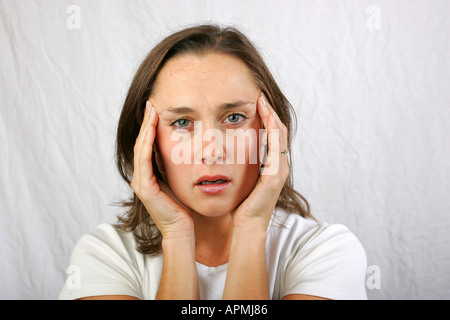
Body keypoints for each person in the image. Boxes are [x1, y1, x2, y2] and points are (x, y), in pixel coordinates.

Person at [58, 24, 367, 300]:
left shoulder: (327, 253)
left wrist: (251, 229)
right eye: (181, 122)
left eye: (234, 118)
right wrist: (177, 237)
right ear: (147, 142)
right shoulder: (104, 256)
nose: (212, 152)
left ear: (270, 132)